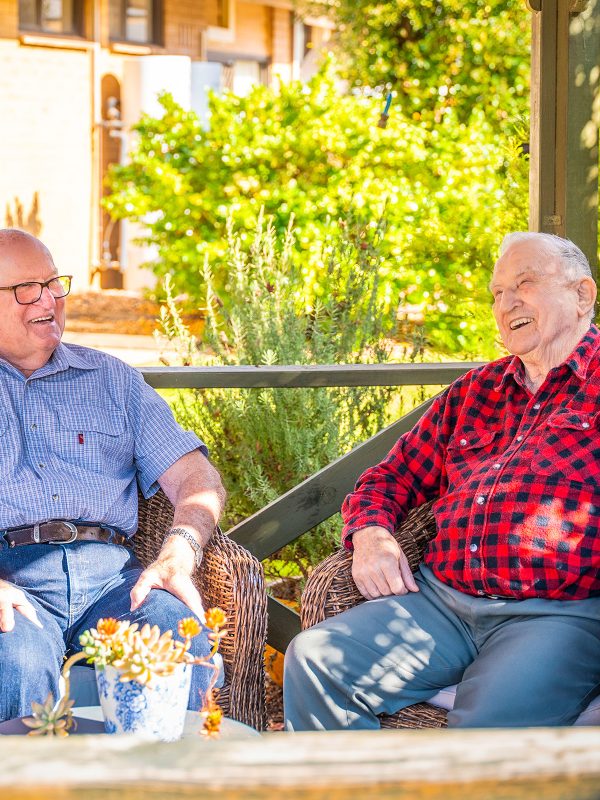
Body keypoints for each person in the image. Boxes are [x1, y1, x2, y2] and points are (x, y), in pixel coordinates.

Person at [284, 231, 600, 730]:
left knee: (485, 733)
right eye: (497, 293)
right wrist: (371, 535)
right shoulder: (476, 391)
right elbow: (389, 478)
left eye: (525, 283)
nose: (507, 303)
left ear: (582, 295)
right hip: (440, 601)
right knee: (315, 660)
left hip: (553, 613)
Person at [0, 229, 226, 722]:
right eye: (25, 290)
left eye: (53, 284)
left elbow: (196, 478)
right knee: (13, 657)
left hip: (113, 582)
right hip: (10, 582)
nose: (49, 300)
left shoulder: (112, 380)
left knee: (173, 634)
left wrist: (178, 553)